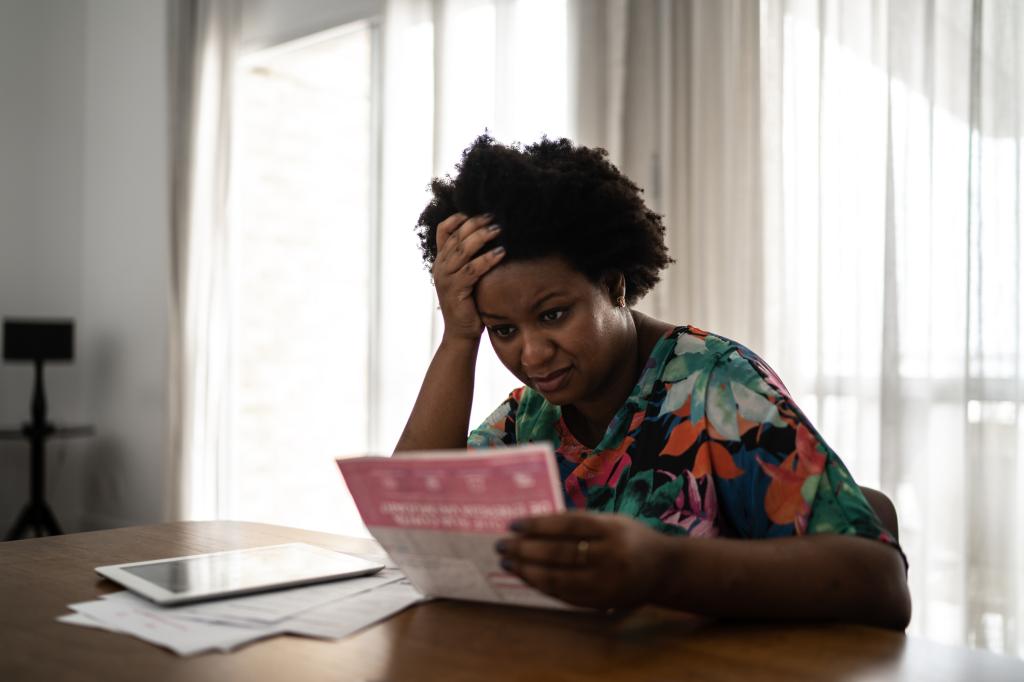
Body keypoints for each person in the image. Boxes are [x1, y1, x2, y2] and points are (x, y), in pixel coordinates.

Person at [396, 134, 911, 629]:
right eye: (503, 330)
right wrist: (459, 337)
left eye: (553, 315)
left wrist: (664, 567)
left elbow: (880, 582)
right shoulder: (530, 415)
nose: (530, 353)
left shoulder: (716, 386)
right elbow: (411, 527)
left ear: (614, 286)